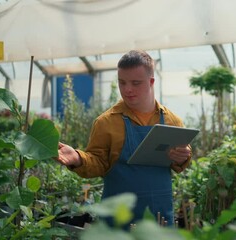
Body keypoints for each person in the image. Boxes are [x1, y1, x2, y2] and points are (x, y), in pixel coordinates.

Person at [55, 50, 192, 227]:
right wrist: (78, 158)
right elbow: (98, 162)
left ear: (151, 82)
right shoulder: (107, 122)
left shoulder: (172, 121)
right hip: (117, 220)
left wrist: (184, 156)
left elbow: (179, 163)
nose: (127, 89)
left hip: (159, 220)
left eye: (136, 83)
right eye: (122, 82)